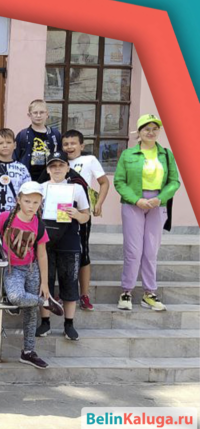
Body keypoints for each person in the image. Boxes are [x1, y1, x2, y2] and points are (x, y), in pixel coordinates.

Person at [0, 181, 63, 370]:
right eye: (27, 201)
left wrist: (45, 283)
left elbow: (42, 254)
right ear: (18, 200)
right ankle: (45, 302)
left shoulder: (39, 225)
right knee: (16, 297)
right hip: (13, 269)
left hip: (32, 269)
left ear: (40, 203)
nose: (31, 206)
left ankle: (28, 351)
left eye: (35, 202)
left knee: (30, 311)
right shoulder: (6, 217)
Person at [114, 114, 180, 311]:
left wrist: (160, 198)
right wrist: (137, 200)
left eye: (154, 129)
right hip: (133, 203)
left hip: (157, 204)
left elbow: (174, 181)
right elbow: (119, 182)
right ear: (139, 132)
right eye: (146, 129)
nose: (151, 132)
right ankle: (126, 291)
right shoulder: (128, 154)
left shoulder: (166, 154)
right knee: (133, 251)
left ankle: (149, 293)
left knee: (151, 251)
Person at [37, 151, 91, 341]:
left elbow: (86, 216)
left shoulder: (77, 189)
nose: (57, 169)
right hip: (45, 241)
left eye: (61, 165)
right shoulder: (41, 188)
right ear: (48, 169)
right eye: (53, 166)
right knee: (45, 281)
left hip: (69, 240)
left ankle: (69, 324)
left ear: (68, 168)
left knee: (69, 281)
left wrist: (77, 214)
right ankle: (45, 322)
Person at [63, 129, 110, 311]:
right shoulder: (59, 161)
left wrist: (99, 203)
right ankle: (65, 292)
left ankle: (84, 294)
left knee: (83, 251)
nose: (69, 147)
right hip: (61, 213)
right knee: (63, 252)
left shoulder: (90, 160)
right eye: (66, 144)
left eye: (73, 143)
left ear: (81, 145)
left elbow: (104, 182)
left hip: (82, 212)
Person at [13, 99, 62, 181]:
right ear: (29, 115)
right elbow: (15, 157)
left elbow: (60, 154)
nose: (38, 115)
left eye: (42, 112)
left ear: (47, 114)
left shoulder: (55, 134)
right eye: (35, 113)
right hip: (28, 178)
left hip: (50, 178)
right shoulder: (23, 135)